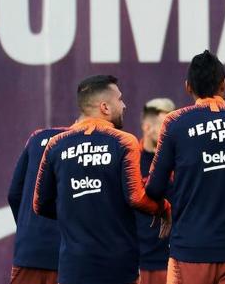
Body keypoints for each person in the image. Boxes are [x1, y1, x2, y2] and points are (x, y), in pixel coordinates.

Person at [33, 75, 171, 284]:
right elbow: (135, 197)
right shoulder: (124, 141)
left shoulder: (56, 145)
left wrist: (77, 211)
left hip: (74, 266)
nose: (124, 105)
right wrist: (163, 209)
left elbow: (40, 204)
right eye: (120, 99)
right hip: (118, 266)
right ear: (105, 107)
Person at [145, 50, 225, 284]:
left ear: (188, 87)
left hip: (189, 251)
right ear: (224, 84)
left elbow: (154, 188)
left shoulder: (175, 123)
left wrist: (166, 208)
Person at [8, 125, 68, 284]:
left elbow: (14, 195)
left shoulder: (37, 138)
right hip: (69, 258)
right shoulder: (96, 143)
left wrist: (27, 229)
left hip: (29, 252)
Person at [136, 98, 176, 284]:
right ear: (147, 127)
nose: (169, 134)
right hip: (136, 261)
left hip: (172, 259)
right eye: (164, 127)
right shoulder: (129, 160)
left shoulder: (180, 160)